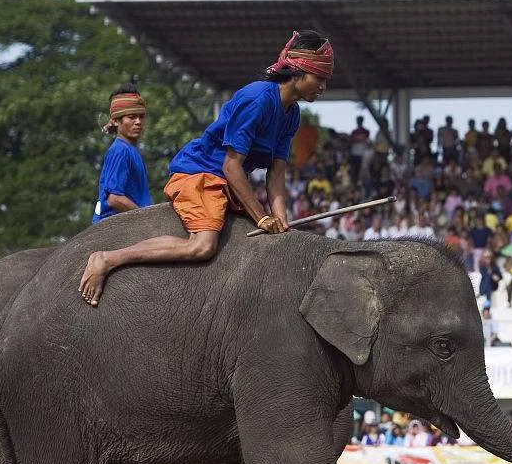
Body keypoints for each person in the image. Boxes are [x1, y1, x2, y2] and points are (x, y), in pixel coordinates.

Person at [78, 30, 332, 305]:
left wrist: (281, 219)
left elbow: (277, 172)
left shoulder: (292, 114)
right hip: (201, 173)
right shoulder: (257, 99)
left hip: (226, 183)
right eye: (320, 78)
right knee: (203, 246)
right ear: (299, 71)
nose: (322, 87)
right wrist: (261, 217)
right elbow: (232, 166)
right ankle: (108, 259)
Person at [92, 84, 152, 224]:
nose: (138, 122)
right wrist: (148, 219)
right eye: (132, 117)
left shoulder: (131, 150)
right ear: (115, 121)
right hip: (114, 227)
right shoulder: (120, 151)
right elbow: (114, 199)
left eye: (141, 117)